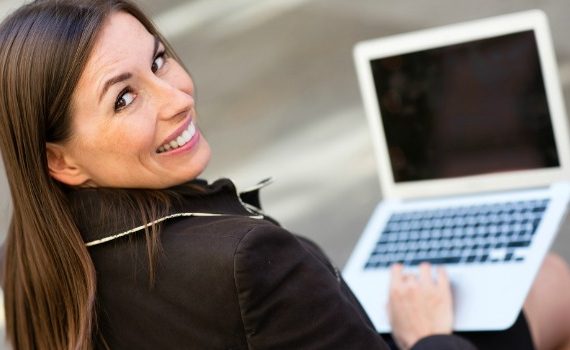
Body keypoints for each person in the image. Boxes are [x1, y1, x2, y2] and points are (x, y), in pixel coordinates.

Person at [1, 0, 570, 349]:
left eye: (157, 60)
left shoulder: (34, 260)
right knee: (554, 282)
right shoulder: (250, 260)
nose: (176, 96)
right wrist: (429, 335)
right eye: (124, 99)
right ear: (61, 160)